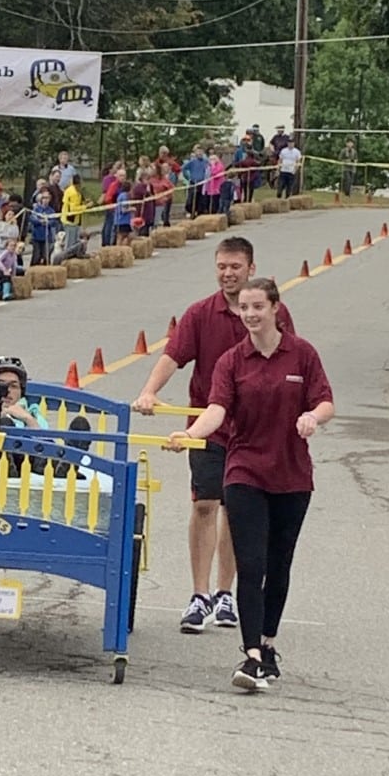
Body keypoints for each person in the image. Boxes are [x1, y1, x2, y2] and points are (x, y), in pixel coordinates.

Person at [168, 278, 334, 691]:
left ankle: (268, 642)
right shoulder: (232, 361)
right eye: (244, 307)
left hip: (292, 474)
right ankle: (251, 656)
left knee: (278, 565)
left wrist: (314, 417)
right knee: (252, 563)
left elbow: (326, 400)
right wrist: (192, 434)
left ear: (275, 308)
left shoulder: (302, 353)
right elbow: (217, 410)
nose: (250, 314)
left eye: (258, 306)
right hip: (245, 470)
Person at [133, 236, 295, 634]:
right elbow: (173, 356)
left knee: (236, 511)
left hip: (253, 433)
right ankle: (199, 594)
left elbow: (288, 359)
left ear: (251, 268)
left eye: (235, 266)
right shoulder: (200, 314)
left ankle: (226, 593)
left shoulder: (271, 312)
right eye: (222, 266)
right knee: (205, 503)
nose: (228, 273)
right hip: (210, 427)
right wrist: (149, 391)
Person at [29, 188, 59, 265]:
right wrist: (40, 222)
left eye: (47, 198)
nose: (45, 200)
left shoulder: (51, 210)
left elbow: (54, 221)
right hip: (37, 236)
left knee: (46, 255)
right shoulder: (37, 209)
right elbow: (32, 219)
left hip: (47, 236)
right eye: (44, 198)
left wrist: (47, 223)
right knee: (36, 255)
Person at [60, 171, 86, 253]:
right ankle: (67, 257)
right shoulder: (73, 193)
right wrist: (85, 207)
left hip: (74, 221)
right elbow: (73, 208)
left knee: (74, 241)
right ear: (77, 183)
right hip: (70, 220)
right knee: (70, 243)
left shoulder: (73, 190)